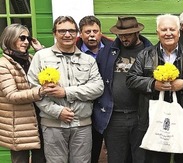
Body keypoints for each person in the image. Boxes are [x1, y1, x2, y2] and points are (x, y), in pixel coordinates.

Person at [126, 14, 183, 163]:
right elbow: (131, 80)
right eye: (164, 29)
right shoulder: (145, 55)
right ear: (157, 33)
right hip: (154, 120)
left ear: (179, 32)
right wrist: (152, 84)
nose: (168, 33)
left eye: (172, 29)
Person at [27, 16, 104, 163]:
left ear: (77, 33)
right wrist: (57, 112)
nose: (67, 34)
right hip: (53, 124)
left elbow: (98, 88)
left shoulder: (88, 60)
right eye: (62, 31)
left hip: (82, 124)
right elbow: (34, 90)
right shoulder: (41, 57)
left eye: (71, 31)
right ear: (54, 33)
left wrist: (66, 92)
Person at [95, 16, 153, 163]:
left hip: (141, 116)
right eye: (120, 35)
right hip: (114, 117)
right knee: (116, 159)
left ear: (137, 33)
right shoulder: (106, 52)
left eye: (127, 35)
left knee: (142, 159)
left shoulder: (150, 52)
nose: (123, 38)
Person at [0, 24, 48, 163]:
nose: (26, 42)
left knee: (41, 159)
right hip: (18, 125)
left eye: (28, 38)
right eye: (22, 38)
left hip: (38, 119)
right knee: (20, 160)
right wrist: (40, 91)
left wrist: (40, 52)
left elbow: (49, 76)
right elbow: (11, 95)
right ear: (10, 39)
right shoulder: (3, 65)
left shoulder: (31, 59)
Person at [74, 15, 113, 163]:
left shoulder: (112, 48)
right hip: (84, 105)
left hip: (109, 104)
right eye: (87, 31)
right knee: (90, 150)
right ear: (80, 33)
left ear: (100, 32)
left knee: (115, 150)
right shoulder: (74, 49)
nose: (92, 35)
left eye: (95, 31)